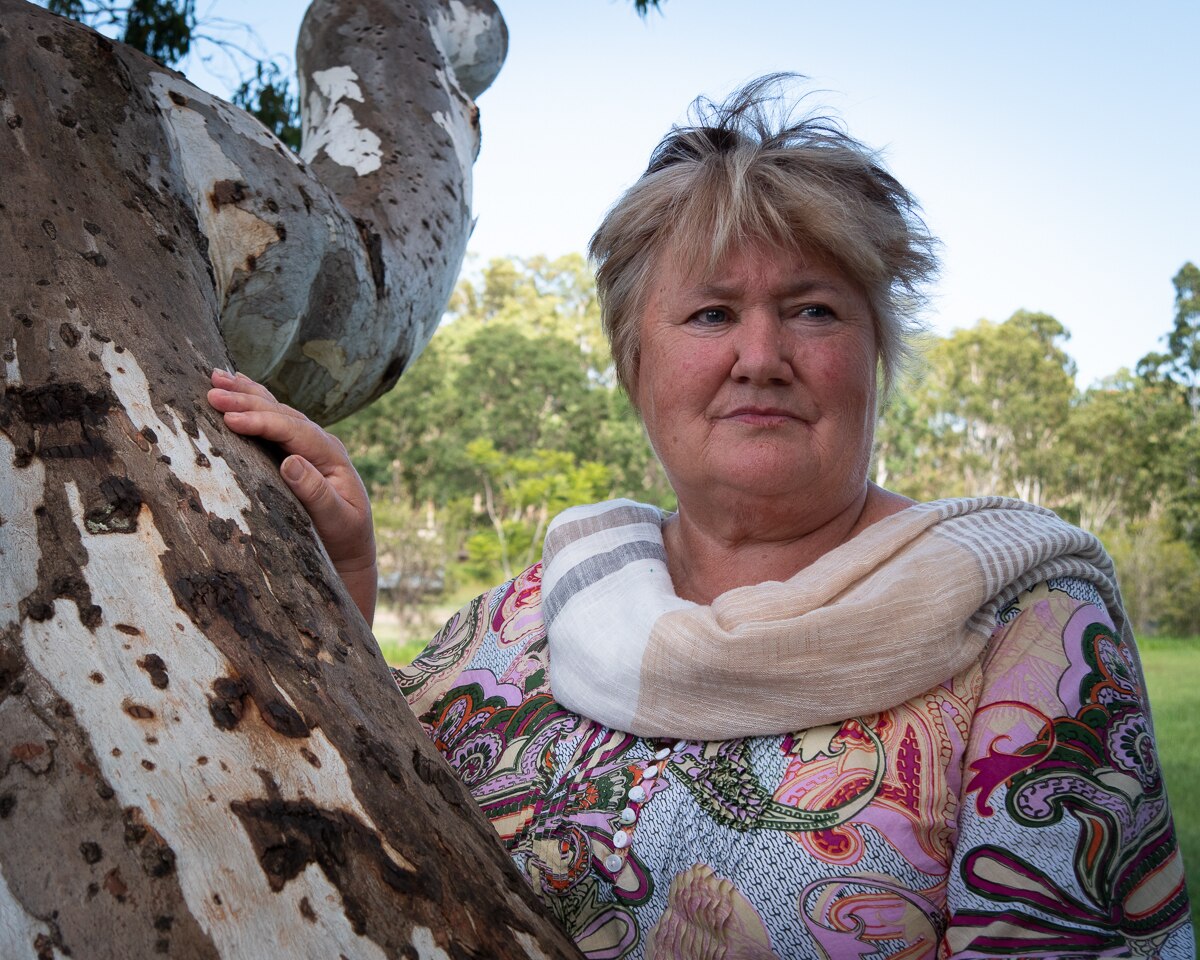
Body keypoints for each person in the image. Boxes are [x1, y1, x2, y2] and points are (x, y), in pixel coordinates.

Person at [208, 77, 1193, 959]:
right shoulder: (534, 612)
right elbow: (341, 849)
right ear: (638, 368)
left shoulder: (1033, 623)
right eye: (712, 315)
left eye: (813, 310)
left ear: (876, 356)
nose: (761, 354)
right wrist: (349, 583)